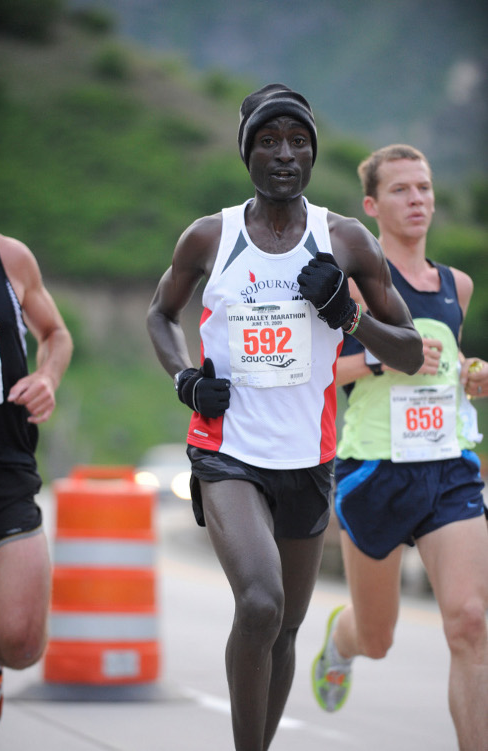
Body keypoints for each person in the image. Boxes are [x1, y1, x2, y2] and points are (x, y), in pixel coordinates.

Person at [146, 85, 423, 751]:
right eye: (268, 140)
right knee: (261, 604)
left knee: (290, 626)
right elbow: (161, 313)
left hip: (308, 460)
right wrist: (185, 379)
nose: (284, 153)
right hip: (228, 454)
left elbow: (411, 351)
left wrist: (347, 314)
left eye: (297, 140)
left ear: (312, 151)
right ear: (247, 151)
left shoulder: (346, 241)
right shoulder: (211, 236)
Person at [311, 144, 488, 751]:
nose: (418, 200)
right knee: (378, 638)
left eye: (425, 187)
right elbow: (318, 372)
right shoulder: (356, 287)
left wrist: (472, 375)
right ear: (372, 205)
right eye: (402, 190)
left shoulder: (456, 286)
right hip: (375, 471)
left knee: (470, 624)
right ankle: (342, 642)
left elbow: (447, 360)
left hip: (450, 467)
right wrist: (386, 361)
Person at [0, 231, 73, 737]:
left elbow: (56, 335)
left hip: (4, 470)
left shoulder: (9, 257)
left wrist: (47, 379)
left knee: (21, 642)